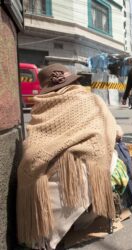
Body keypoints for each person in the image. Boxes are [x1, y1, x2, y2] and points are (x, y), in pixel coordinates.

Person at [16, 63, 123, 249]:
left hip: (37, 177)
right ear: (73, 81)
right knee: (114, 157)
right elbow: (115, 131)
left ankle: (43, 238)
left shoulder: (40, 108)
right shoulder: (90, 99)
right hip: (81, 173)